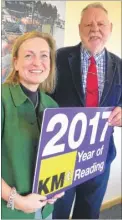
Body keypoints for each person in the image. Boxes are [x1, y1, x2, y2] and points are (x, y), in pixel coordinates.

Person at [50, 2, 122, 219]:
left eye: (100, 24)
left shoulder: (120, 65)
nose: (95, 29)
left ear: (110, 28)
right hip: (61, 158)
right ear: (80, 28)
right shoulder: (58, 58)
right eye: (88, 24)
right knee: (58, 213)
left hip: (99, 156)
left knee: (89, 213)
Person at [1, 31, 64, 219]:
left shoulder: (52, 106)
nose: (37, 63)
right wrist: (16, 200)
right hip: (10, 212)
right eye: (29, 55)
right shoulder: (2, 99)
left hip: (45, 211)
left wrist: (57, 188)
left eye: (44, 56)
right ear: (15, 63)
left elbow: (57, 159)